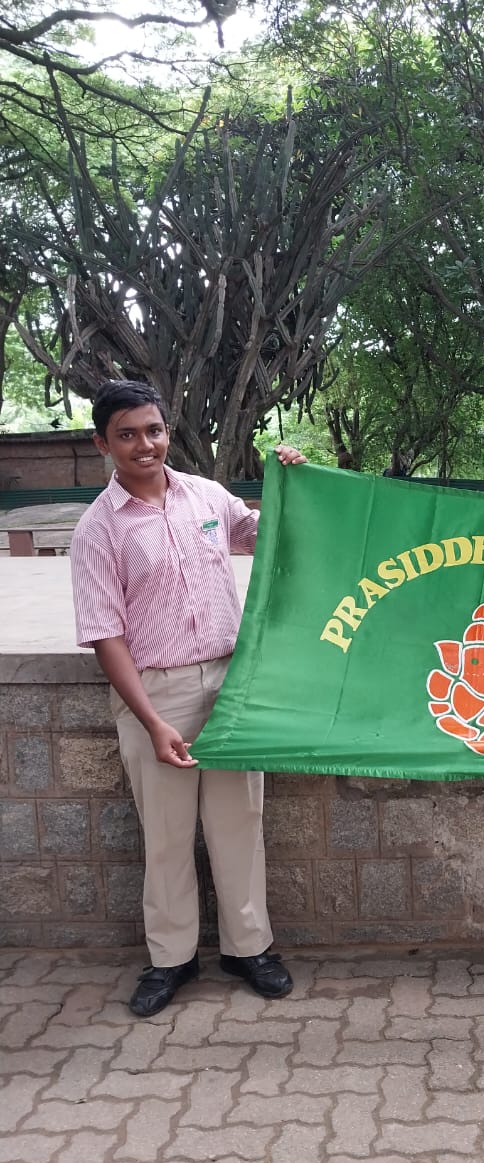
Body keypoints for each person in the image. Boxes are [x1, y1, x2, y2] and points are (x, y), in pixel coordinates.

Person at [71, 380, 307, 1017]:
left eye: (153, 430)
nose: (143, 445)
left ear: (167, 432)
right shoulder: (98, 530)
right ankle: (171, 959)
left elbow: (263, 534)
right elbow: (105, 635)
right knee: (168, 836)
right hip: (157, 693)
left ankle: (248, 948)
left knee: (239, 824)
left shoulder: (206, 496)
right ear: (103, 444)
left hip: (230, 685)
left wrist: (290, 482)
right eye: (126, 435)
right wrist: (151, 721)